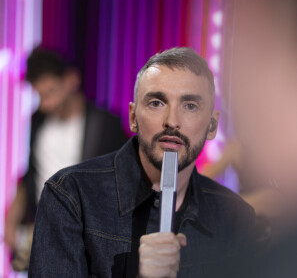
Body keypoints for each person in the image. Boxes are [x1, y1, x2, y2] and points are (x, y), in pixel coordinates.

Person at [28, 47, 256, 277]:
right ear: (133, 118)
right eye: (157, 103)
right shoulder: (69, 197)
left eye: (190, 106)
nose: (172, 121)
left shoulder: (236, 217)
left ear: (212, 126)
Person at [5, 47, 127, 271]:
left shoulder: (105, 125)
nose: (46, 103)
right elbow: (31, 173)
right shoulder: (37, 121)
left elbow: (123, 185)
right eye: (40, 95)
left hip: (90, 244)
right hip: (43, 235)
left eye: (51, 92)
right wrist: (12, 220)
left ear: (71, 80)